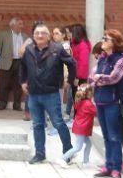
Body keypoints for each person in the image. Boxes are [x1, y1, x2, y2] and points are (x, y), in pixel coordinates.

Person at [19, 23, 75, 164]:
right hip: (33, 93)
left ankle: (68, 152)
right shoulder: (29, 49)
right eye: (37, 33)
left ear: (48, 35)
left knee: (58, 123)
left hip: (51, 93)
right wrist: (23, 82)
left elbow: (72, 63)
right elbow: (22, 66)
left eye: (43, 33)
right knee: (37, 124)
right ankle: (39, 153)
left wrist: (70, 80)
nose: (39, 35)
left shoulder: (57, 49)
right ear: (33, 35)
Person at [90, 30, 123, 178]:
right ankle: (108, 166)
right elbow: (91, 77)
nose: (102, 40)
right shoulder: (102, 58)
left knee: (115, 136)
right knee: (106, 136)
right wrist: (98, 79)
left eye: (106, 39)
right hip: (100, 101)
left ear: (114, 43)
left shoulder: (120, 60)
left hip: (113, 102)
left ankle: (116, 169)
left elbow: (114, 78)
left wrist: (98, 79)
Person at [0, 18, 27, 112]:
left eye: (22, 24)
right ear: (12, 25)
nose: (22, 26)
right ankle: (2, 104)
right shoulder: (3, 34)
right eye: (19, 24)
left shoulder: (25, 36)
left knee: (18, 85)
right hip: (6, 63)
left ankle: (17, 105)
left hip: (20, 62)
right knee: (4, 84)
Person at [60, 85, 95, 167]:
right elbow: (96, 112)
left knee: (89, 144)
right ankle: (63, 159)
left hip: (79, 128)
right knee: (78, 147)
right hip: (81, 129)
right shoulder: (88, 104)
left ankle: (86, 162)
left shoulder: (79, 102)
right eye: (92, 92)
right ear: (89, 94)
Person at [67, 24, 91, 119]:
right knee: (75, 98)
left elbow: (83, 63)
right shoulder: (74, 44)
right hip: (75, 75)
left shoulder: (83, 45)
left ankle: (79, 118)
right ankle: (76, 117)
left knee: (79, 98)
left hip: (79, 77)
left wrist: (77, 76)